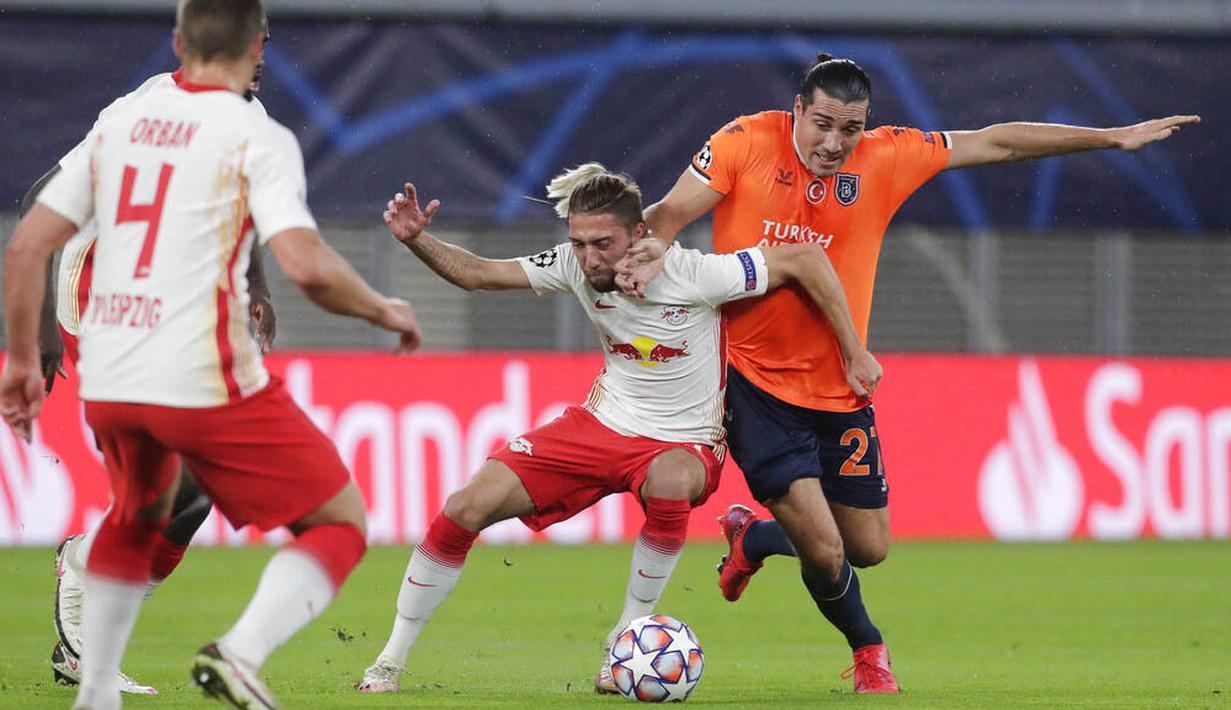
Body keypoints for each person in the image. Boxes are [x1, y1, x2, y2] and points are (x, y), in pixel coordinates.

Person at [618, 52, 1200, 693]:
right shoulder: (742, 140)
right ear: (797, 112)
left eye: (852, 128)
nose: (836, 143)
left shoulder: (889, 155)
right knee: (826, 550)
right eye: (823, 125)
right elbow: (672, 213)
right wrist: (649, 252)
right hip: (754, 383)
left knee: (867, 548)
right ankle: (870, 653)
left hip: (842, 390)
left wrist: (1111, 137)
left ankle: (753, 539)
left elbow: (997, 142)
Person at [0, 1, 422, 708]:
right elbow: (312, 267)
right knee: (338, 520)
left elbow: (26, 239)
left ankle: (94, 685)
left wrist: (22, 354)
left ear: (177, 41)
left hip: (108, 348)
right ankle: (239, 655)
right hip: (188, 351)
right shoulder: (256, 133)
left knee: (161, 505)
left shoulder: (126, 119)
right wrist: (382, 307)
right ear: (260, 48)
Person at [356, 163, 881, 696]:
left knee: (672, 480)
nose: (588, 258)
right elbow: (477, 273)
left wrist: (852, 351)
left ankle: (621, 644)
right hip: (601, 425)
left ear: (638, 234)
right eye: (578, 243)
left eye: (602, 243)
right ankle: (389, 661)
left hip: (685, 440)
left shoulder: (695, 273)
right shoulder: (573, 265)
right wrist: (418, 240)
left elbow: (804, 258)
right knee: (465, 505)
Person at [23, 20, 278, 696]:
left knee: (194, 497)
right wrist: (41, 333)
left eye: (260, 43)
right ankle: (83, 569)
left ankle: (87, 626)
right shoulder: (139, 112)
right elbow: (37, 206)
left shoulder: (250, 119)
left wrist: (258, 288)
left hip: (176, 306)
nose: (257, 58)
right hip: (102, 301)